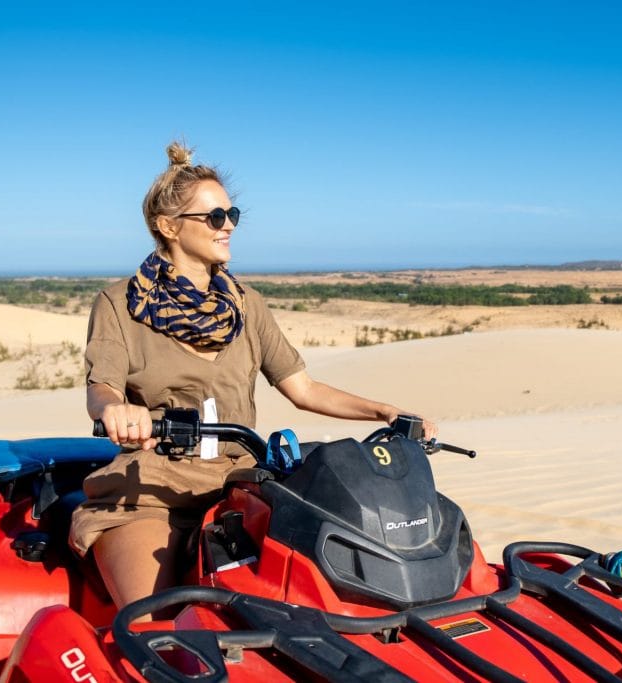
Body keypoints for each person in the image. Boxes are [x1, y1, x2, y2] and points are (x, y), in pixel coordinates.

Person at [69, 141, 435, 612]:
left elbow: (302, 388)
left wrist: (384, 411)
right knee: (153, 624)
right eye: (214, 217)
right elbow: (103, 387)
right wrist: (116, 412)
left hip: (240, 478)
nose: (228, 228)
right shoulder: (119, 304)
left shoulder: (247, 304)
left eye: (232, 214)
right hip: (152, 487)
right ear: (168, 227)